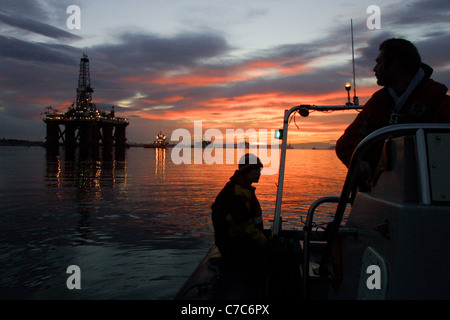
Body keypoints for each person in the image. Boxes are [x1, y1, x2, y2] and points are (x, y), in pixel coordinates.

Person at [336, 38, 450, 183]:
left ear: (395, 65)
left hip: (427, 190)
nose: (374, 69)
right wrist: (355, 160)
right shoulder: (378, 102)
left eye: (379, 62)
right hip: (380, 190)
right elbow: (345, 143)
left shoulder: (440, 102)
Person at [211, 153, 270, 265]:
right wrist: (265, 242)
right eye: (256, 169)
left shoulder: (244, 190)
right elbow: (245, 226)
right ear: (246, 171)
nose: (259, 173)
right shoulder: (237, 194)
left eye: (259, 169)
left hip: (238, 242)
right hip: (233, 246)